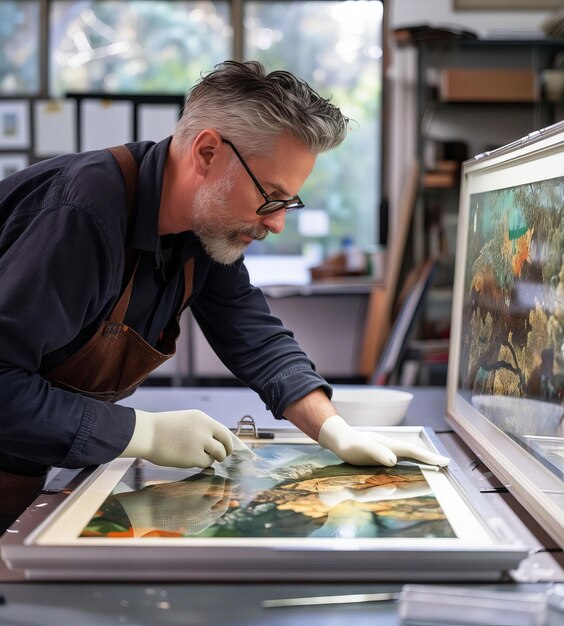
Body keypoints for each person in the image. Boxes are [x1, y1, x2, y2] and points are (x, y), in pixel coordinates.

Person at [0, 61, 449, 530]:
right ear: (208, 152)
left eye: (289, 203)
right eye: (270, 196)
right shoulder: (83, 216)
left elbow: (252, 334)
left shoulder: (203, 230)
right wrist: (142, 431)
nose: (276, 224)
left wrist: (334, 430)